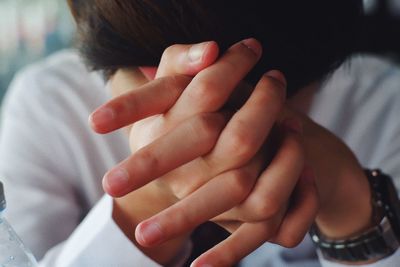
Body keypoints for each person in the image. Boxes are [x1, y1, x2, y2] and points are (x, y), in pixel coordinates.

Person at [0, 1, 399, 267]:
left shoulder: (384, 106)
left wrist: (351, 206)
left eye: (262, 102)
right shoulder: (49, 107)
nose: (236, 138)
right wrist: (146, 204)